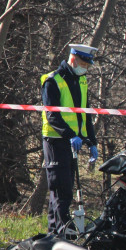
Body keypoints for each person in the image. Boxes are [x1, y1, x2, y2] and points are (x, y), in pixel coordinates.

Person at [41, 44, 99, 237]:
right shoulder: (52, 81)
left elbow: (85, 115)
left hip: (72, 143)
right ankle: (63, 231)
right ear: (73, 59)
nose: (86, 68)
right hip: (56, 141)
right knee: (61, 189)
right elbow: (52, 116)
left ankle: (55, 232)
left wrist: (91, 142)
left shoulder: (81, 81)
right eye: (84, 64)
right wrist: (70, 135)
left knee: (63, 189)